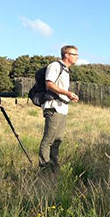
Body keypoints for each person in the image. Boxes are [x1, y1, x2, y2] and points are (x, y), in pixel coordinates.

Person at [39, 45, 79, 173]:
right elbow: (49, 84)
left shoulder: (66, 70)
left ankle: (54, 170)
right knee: (48, 141)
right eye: (75, 54)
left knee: (57, 141)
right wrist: (67, 93)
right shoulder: (55, 66)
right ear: (66, 55)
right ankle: (44, 171)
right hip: (53, 108)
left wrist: (68, 96)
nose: (77, 57)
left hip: (62, 109)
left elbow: (59, 89)